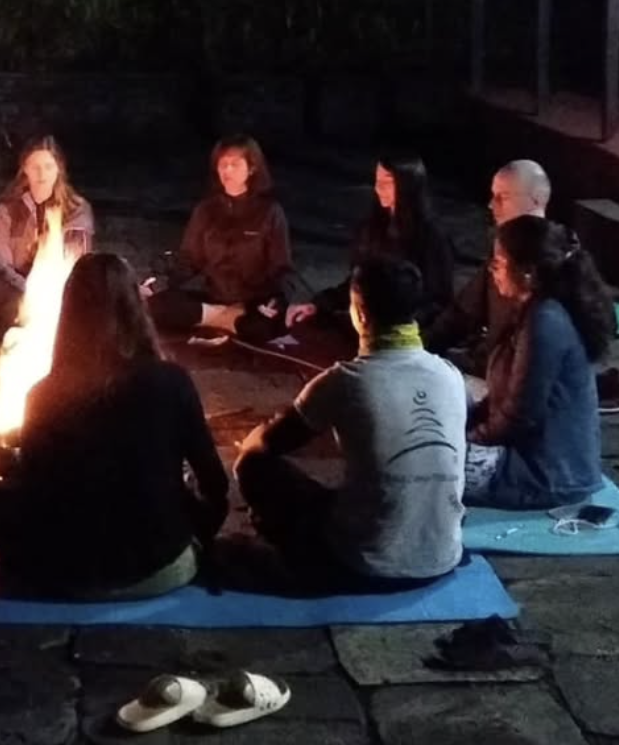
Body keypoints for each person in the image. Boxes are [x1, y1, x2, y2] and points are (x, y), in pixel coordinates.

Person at [0, 253, 229, 598]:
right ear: (135, 311)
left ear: (69, 315)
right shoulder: (171, 381)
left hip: (68, 572)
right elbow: (215, 484)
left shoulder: (44, 394)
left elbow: (34, 489)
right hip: (161, 567)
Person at [235, 257, 466, 589]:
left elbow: (267, 444)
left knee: (253, 465)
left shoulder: (346, 381)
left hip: (365, 562)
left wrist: (251, 438)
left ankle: (298, 554)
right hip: (442, 558)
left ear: (360, 314)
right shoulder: (450, 376)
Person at [463, 217, 609, 510]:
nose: (494, 271)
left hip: (544, 475)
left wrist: (468, 437)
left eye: (500, 263)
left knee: (416, 463)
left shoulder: (545, 320)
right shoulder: (536, 309)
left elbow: (520, 414)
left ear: (527, 272)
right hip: (542, 462)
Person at [146, 135, 306, 344]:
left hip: (252, 305)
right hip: (213, 300)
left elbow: (282, 268)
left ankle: (227, 321)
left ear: (251, 168)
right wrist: (157, 284)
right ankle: (225, 320)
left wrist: (277, 300)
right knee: (154, 307)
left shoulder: (270, 212)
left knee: (261, 326)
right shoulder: (206, 210)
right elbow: (188, 260)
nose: (227, 170)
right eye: (223, 164)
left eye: (235, 164)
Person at [288, 153, 456, 332]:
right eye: (377, 181)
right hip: (367, 328)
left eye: (387, 183)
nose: (378, 188)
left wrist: (401, 325)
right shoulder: (372, 228)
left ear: (407, 184)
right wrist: (318, 305)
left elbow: (439, 301)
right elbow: (358, 283)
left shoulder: (432, 237)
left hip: (408, 335)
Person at [423, 159, 551, 371]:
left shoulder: (557, 265)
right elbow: (463, 312)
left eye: (503, 197)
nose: (492, 205)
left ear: (536, 201)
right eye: (493, 196)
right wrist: (418, 350)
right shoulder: (500, 246)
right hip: (492, 368)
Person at [0, 135, 95, 337]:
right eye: (35, 166)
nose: (42, 173)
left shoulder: (76, 209)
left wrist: (53, 291)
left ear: (59, 169)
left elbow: (78, 262)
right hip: (14, 287)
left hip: (58, 290)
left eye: (48, 166)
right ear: (24, 168)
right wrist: (31, 290)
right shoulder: (7, 209)